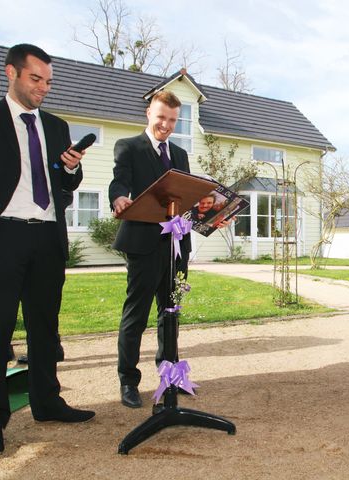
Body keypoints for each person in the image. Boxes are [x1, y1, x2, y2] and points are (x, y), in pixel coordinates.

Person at [0, 44, 94, 458]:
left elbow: (65, 187)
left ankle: (47, 402)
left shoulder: (56, 125)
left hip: (47, 237)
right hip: (0, 237)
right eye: (36, 79)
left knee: (45, 327)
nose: (44, 88)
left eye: (48, 81)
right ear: (11, 72)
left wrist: (70, 168)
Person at [109, 90, 192, 409]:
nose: (166, 125)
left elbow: (185, 197)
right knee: (137, 316)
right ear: (148, 113)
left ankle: (170, 376)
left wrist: (210, 215)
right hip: (143, 244)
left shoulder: (181, 155)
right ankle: (128, 381)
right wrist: (119, 199)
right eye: (161, 117)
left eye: (172, 120)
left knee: (170, 315)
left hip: (176, 247)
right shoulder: (129, 146)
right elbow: (119, 182)